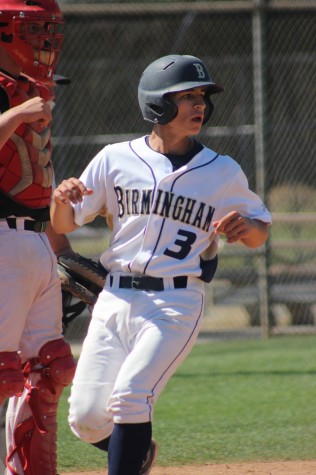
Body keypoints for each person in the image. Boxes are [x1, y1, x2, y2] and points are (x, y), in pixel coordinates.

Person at [50, 54, 272, 475]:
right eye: (187, 96)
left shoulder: (222, 171)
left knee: (132, 396)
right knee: (85, 419)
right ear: (156, 105)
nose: (199, 104)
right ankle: (139, 454)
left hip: (175, 302)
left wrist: (246, 228)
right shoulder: (115, 158)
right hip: (113, 296)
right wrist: (61, 199)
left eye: (202, 96)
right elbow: (65, 222)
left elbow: (260, 232)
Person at [0, 1, 77, 474]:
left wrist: (59, 249)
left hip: (33, 243)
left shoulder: (34, 88)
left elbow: (37, 180)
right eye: (35, 29)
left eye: (50, 29)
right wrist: (16, 114)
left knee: (50, 369)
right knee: (3, 373)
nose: (46, 41)